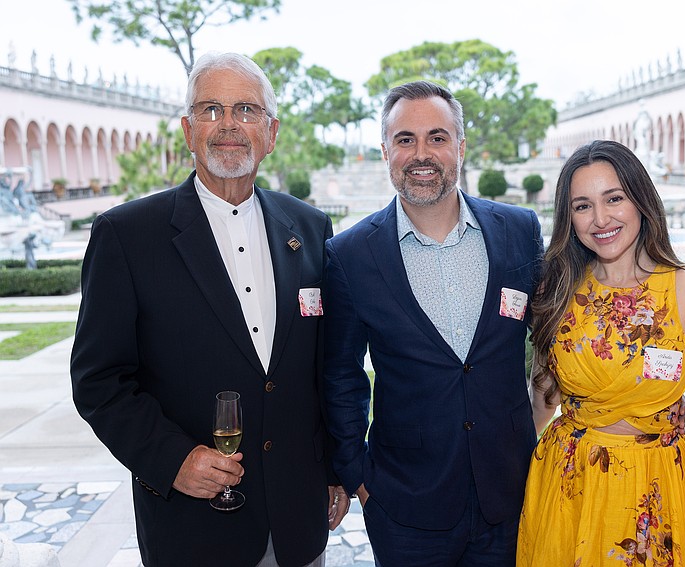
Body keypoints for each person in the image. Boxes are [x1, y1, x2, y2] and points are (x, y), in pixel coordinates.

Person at [70, 52, 349, 567]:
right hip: (192, 530)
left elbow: (324, 366)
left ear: (271, 131)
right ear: (187, 128)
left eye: (245, 110)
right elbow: (98, 381)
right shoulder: (127, 236)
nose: (228, 125)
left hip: (298, 520)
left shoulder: (310, 228)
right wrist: (172, 459)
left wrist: (334, 467)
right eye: (210, 109)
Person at [322, 80, 543, 566]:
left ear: (460, 147)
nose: (422, 154)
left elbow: (555, 340)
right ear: (385, 151)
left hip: (511, 495)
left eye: (437, 138)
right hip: (404, 509)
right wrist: (356, 473)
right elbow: (341, 375)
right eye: (405, 140)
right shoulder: (350, 254)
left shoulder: (520, 231)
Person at [517, 140, 685, 566]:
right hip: (565, 488)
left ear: (641, 200)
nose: (600, 219)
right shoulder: (556, 291)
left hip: (658, 491)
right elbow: (542, 400)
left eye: (614, 198)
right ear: (568, 217)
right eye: (582, 206)